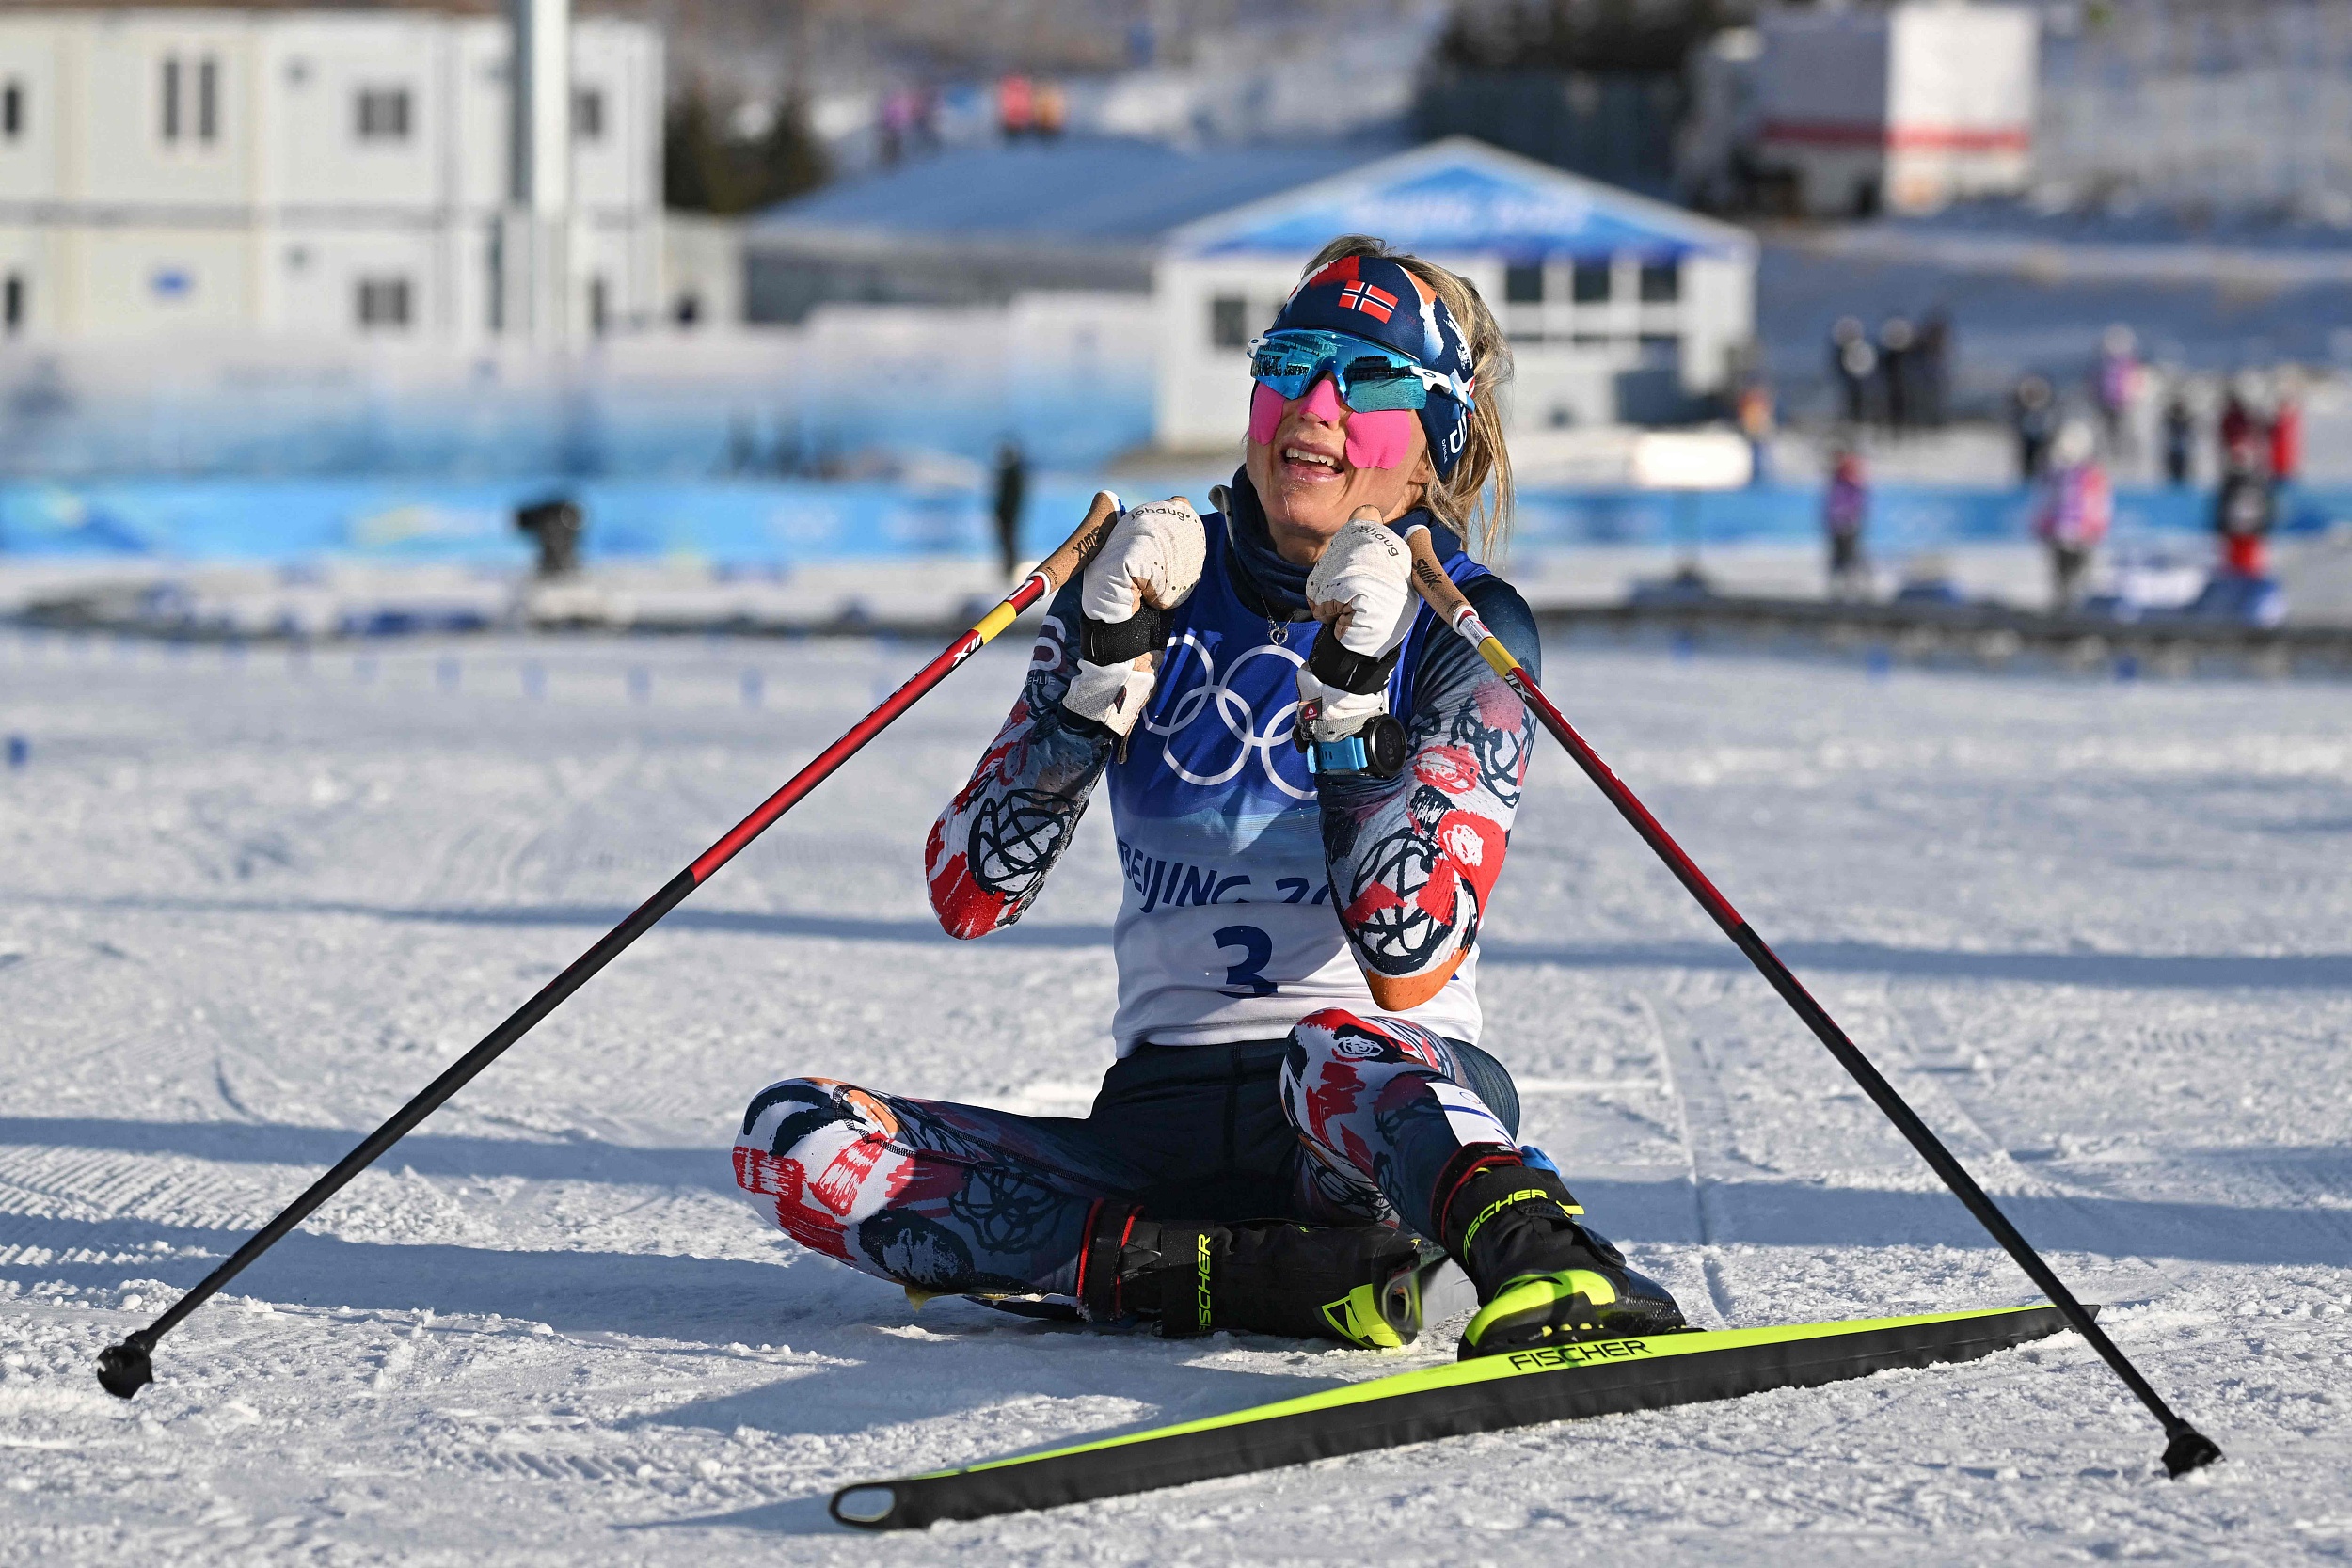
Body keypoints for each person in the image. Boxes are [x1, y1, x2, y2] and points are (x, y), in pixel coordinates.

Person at [733, 238, 1686, 1359]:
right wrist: (1089, 683)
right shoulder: (1148, 582)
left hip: (1364, 1115)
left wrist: (1345, 706)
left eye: (1370, 379)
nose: (1316, 405)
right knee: (791, 1137)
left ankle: (1546, 1262)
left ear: (1438, 442)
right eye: (1291, 362)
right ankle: (1247, 1276)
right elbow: (968, 893)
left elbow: (1407, 953)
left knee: (1338, 1040)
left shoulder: (1465, 622)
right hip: (1160, 1120)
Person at [2032, 420, 2110, 610]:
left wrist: (2095, 527)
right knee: (2061, 578)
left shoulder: (2092, 475)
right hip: (2060, 535)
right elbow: (2048, 502)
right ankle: (2062, 610)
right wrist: (2044, 525)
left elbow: (2099, 505)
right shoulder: (2056, 475)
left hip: (2082, 536)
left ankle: (2075, 611)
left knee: (2078, 577)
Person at [2213, 446, 2276, 578]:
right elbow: (2221, 505)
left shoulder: (2257, 481)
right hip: (2235, 531)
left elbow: (2266, 503)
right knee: (2234, 563)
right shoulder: (2230, 483)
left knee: (2251, 562)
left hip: (2251, 531)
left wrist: (2264, 524)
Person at [1822, 444, 1869, 598]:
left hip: (1848, 524)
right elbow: (1832, 502)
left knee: (1851, 554)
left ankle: (1856, 584)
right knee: (1839, 555)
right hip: (1838, 524)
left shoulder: (1852, 481)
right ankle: (1839, 585)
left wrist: (1850, 517)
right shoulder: (1837, 480)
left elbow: (1856, 502)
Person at [992, 438, 1027, 581]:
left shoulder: (1012, 474)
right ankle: (1008, 570)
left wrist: (1006, 512)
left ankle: (1011, 570)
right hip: (1007, 514)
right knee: (1007, 544)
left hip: (1009, 515)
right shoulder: (1010, 473)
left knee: (1010, 544)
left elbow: (1012, 497)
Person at [2012, 374, 2057, 483]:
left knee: (2044, 459)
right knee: (2028, 460)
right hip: (2028, 439)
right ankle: (2027, 480)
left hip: (2042, 438)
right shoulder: (2022, 409)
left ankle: (2044, 479)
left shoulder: (2045, 408)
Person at [2161, 388, 2194, 488]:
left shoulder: (2186, 419)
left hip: (2182, 449)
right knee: (2173, 472)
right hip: (2173, 448)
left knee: (2182, 472)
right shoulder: (2170, 418)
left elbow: (2190, 432)